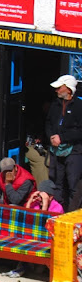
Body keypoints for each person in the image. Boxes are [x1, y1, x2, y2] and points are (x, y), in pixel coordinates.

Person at [45, 74, 82, 211]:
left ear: (68, 89)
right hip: (56, 151)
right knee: (57, 183)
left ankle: (73, 214)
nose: (57, 91)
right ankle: (58, 212)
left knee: (73, 185)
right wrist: (51, 137)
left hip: (74, 152)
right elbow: (48, 123)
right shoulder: (55, 105)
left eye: (59, 88)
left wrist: (63, 138)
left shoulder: (79, 106)